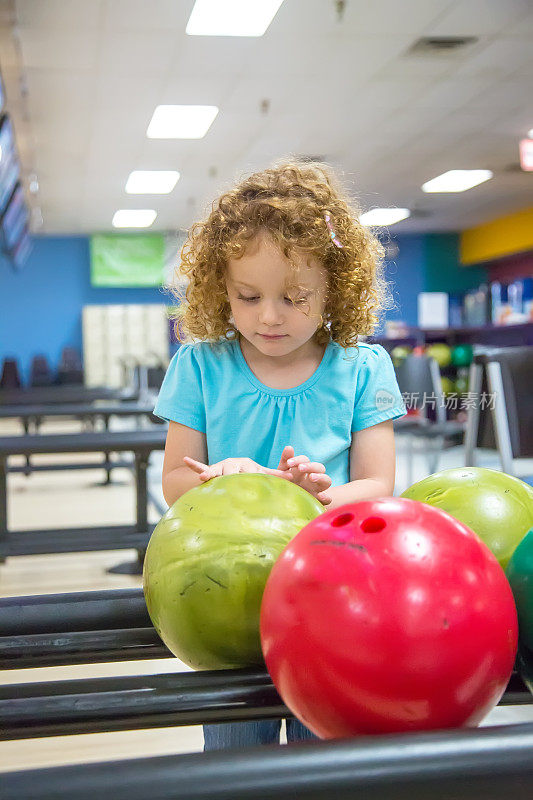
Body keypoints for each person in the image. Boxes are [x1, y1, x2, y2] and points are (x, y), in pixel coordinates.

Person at [154, 160, 406, 750]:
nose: (269, 316)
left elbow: (379, 485)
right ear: (221, 288)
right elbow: (173, 480)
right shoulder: (199, 366)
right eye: (248, 296)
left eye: (294, 297)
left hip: (332, 586)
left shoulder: (362, 368)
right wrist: (223, 483)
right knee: (238, 754)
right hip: (224, 594)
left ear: (335, 290)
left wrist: (321, 496)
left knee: (325, 747)